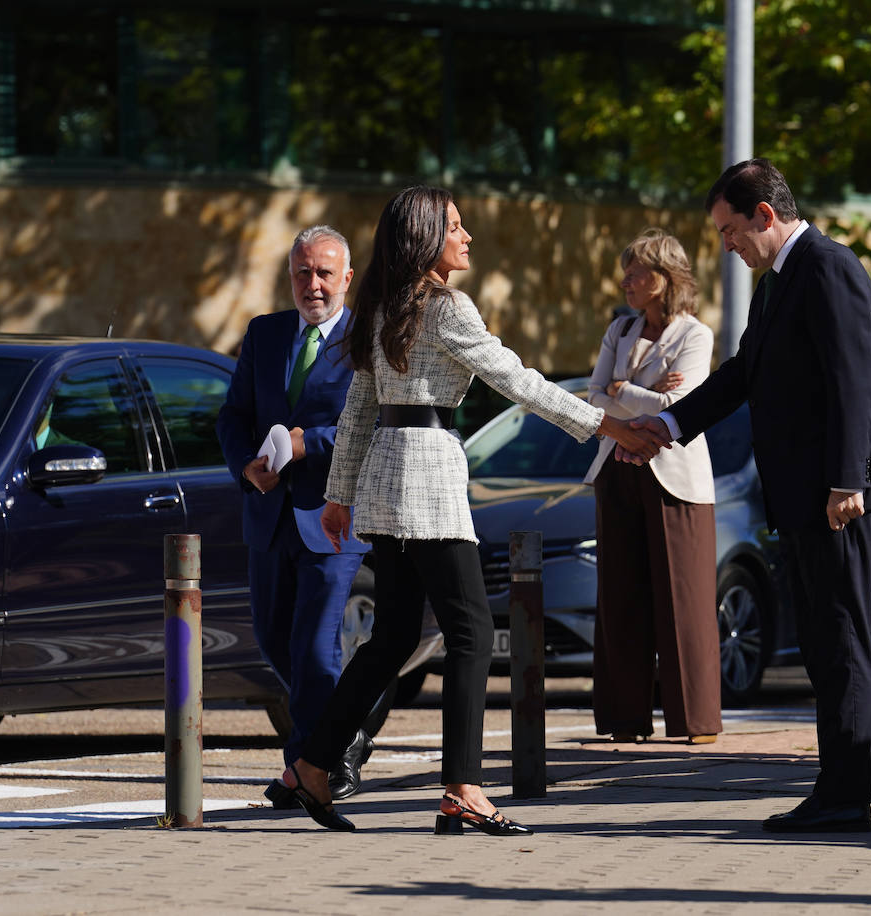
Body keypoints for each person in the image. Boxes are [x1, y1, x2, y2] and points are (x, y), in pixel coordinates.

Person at [280, 186, 666, 834]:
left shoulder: (380, 306)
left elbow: (358, 413)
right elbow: (518, 380)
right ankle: (462, 785)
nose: (466, 238)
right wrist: (609, 426)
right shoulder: (447, 307)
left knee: (395, 638)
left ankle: (314, 765)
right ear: (428, 237)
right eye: (455, 227)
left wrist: (339, 495)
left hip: (382, 477)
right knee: (472, 632)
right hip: (427, 477)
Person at [626, 159, 871, 833]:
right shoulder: (777, 284)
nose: (726, 244)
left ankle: (846, 798)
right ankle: (836, 786)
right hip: (804, 496)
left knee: (841, 640)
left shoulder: (828, 267)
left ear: (764, 215)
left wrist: (849, 479)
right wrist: (667, 425)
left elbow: (853, 382)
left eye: (730, 230)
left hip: (838, 495)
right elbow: (742, 376)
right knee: (820, 640)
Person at [216, 225, 375, 808]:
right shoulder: (265, 334)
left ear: (347, 278)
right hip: (269, 514)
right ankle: (343, 731)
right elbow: (232, 417)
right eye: (303, 273)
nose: (314, 285)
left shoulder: (369, 339)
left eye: (325, 273)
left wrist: (313, 445)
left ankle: (310, 765)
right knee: (272, 637)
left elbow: (375, 424)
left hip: (336, 515)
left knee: (314, 646)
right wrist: (245, 466)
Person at [584, 229, 721, 746]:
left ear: (664, 280)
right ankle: (624, 720)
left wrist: (624, 392)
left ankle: (696, 723)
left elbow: (676, 410)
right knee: (619, 597)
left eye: (636, 272)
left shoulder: (696, 336)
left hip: (676, 476)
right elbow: (594, 396)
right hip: (616, 466)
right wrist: (633, 395)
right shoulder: (619, 331)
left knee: (682, 600)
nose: (626, 281)